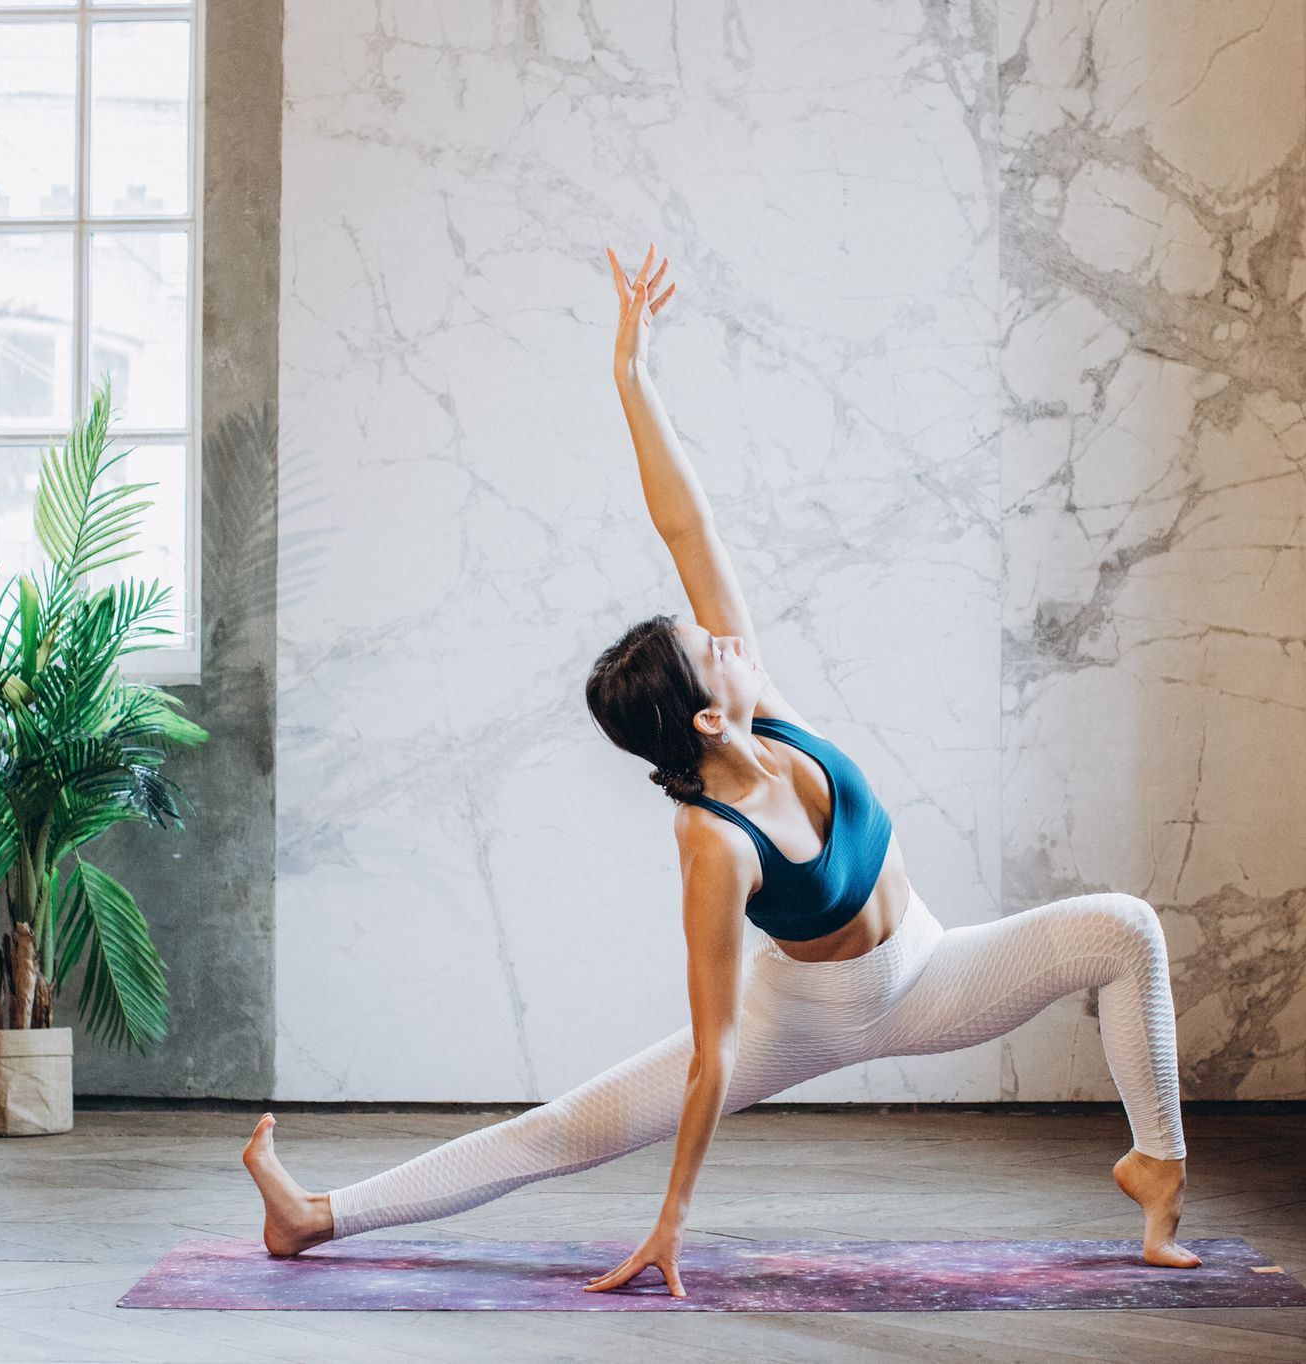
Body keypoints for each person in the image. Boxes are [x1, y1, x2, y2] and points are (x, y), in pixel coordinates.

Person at [242, 244, 1198, 1296]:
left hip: (930, 972)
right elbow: (712, 1050)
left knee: (1122, 928)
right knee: (565, 1127)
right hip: (811, 1014)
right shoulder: (711, 843)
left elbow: (686, 523)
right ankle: (313, 1215)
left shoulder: (767, 711)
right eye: (712, 648)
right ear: (704, 710)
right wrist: (671, 1215)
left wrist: (632, 376)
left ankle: (1154, 1164)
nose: (729, 635)